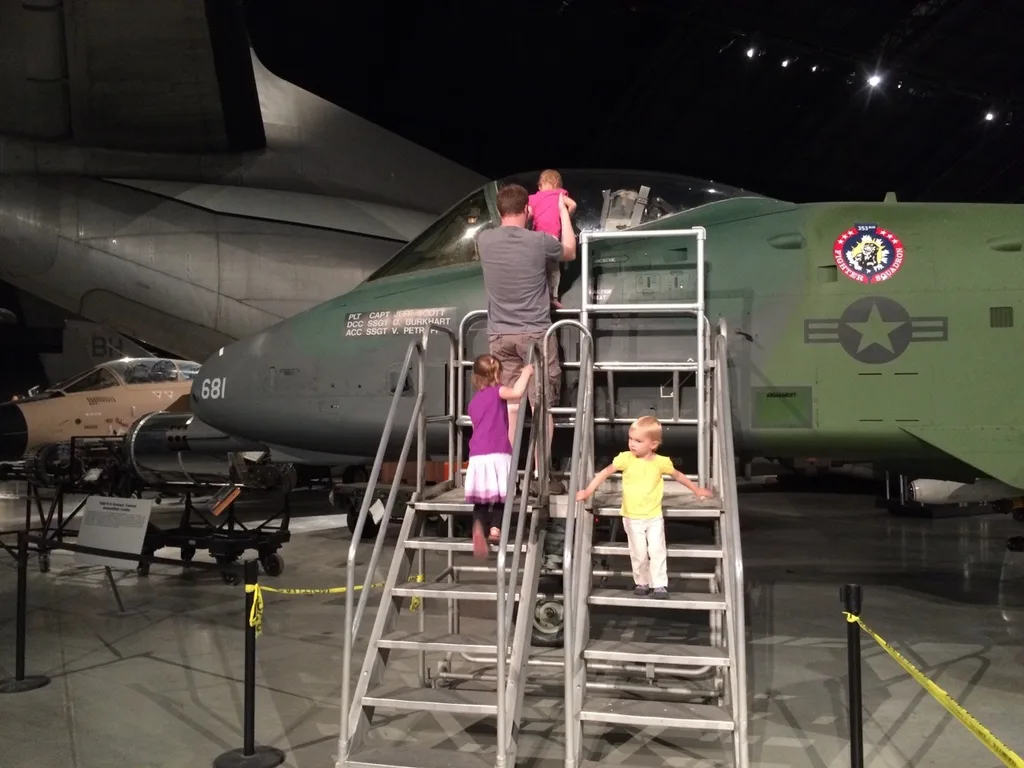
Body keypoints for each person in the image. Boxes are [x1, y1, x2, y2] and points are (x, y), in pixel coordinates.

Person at [476, 183, 576, 495]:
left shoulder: (484, 239)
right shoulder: (538, 242)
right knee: (542, 406)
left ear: (499, 210)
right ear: (528, 210)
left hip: (499, 336)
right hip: (534, 334)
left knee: (511, 405)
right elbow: (570, 250)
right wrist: (562, 213)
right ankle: (541, 478)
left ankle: (508, 477)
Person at [576, 415, 713, 598]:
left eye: (638, 441)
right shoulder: (625, 458)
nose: (632, 444)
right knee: (638, 553)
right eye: (630, 439)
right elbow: (604, 473)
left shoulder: (661, 462)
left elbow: (678, 476)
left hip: (654, 516)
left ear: (653, 444)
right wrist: (588, 491)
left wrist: (695, 489)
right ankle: (642, 582)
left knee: (657, 551)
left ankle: (660, 585)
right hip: (632, 517)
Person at [464, 354, 534, 558]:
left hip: (477, 455)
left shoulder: (474, 402)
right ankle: (495, 530)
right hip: (499, 452)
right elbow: (517, 393)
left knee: (482, 500)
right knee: (503, 496)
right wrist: (527, 373)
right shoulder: (498, 392)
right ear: (497, 374)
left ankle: (478, 527)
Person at [528, 170, 577, 309]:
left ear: (541, 185)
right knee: (553, 270)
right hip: (552, 237)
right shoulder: (559, 195)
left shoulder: (534, 197)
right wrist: (565, 216)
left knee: (538, 268)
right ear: (557, 184)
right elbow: (573, 204)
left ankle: (537, 295)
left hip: (537, 237)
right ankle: (552, 297)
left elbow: (529, 213)